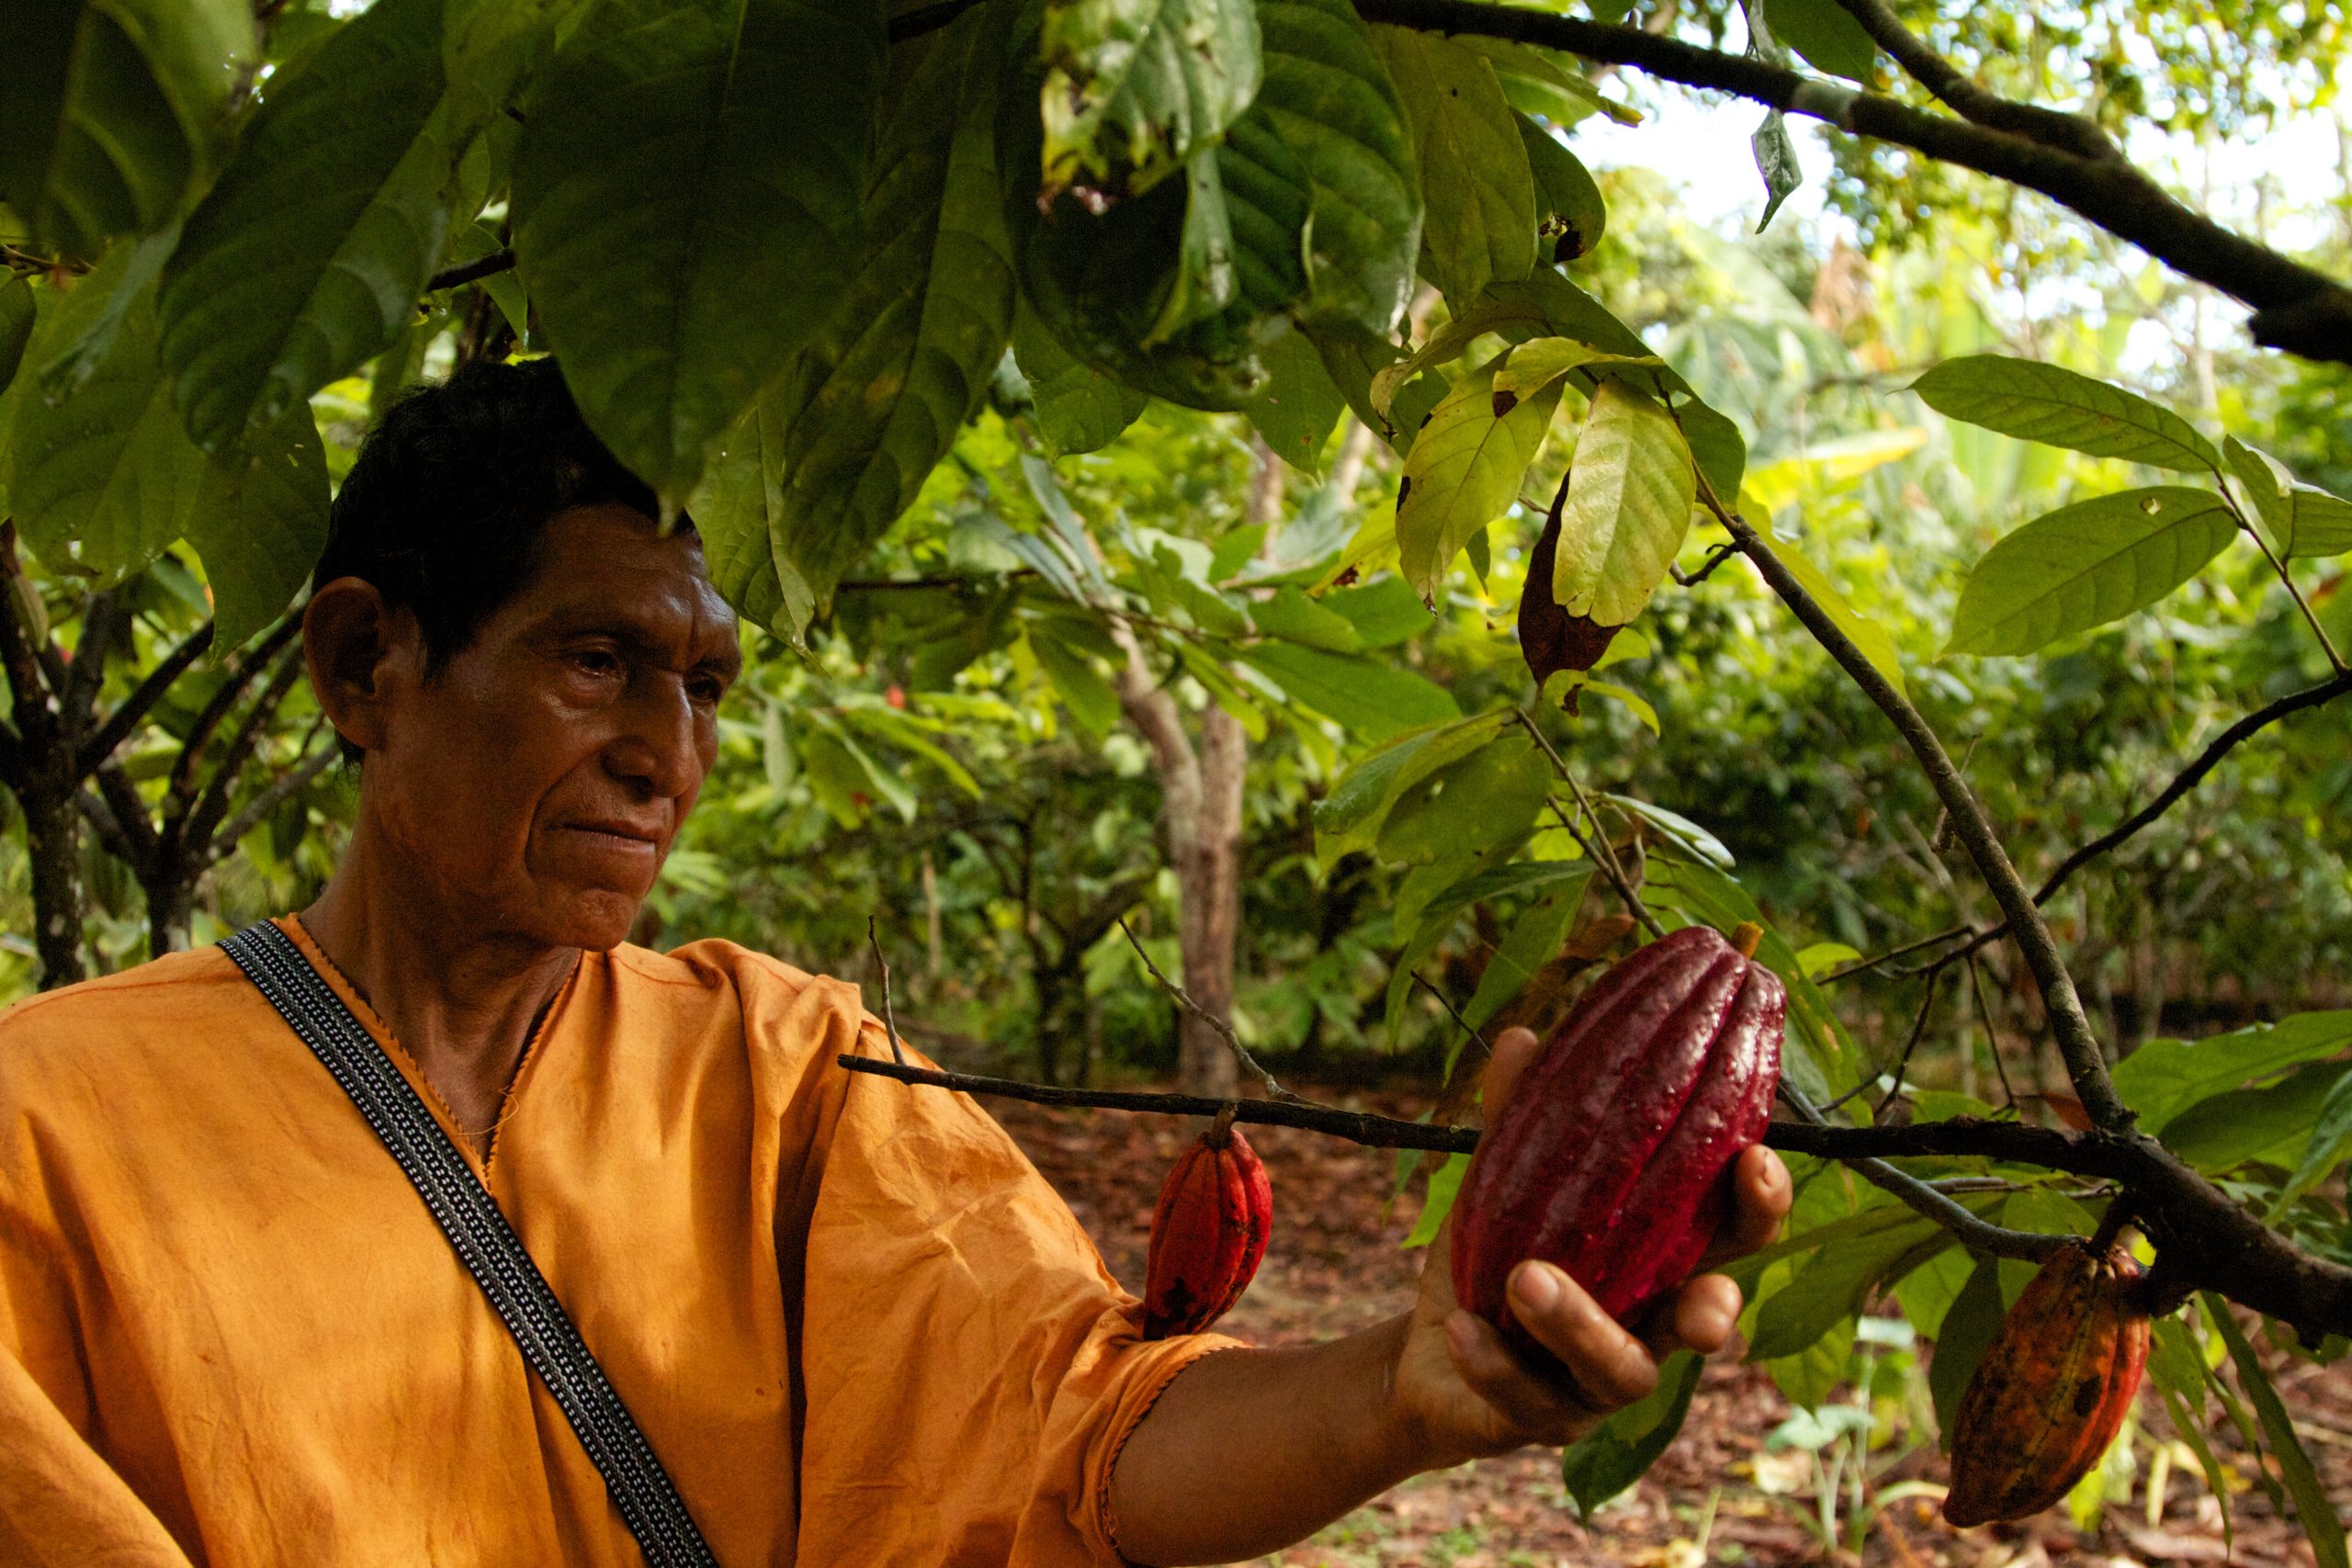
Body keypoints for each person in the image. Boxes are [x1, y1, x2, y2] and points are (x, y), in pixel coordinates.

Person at [0, 359, 1790, 1566]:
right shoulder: (47, 1116)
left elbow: (1072, 1428)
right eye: (596, 658)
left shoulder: (783, 1066)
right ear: (363, 664)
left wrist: (1406, 1390)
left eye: (701, 684)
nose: (664, 752)